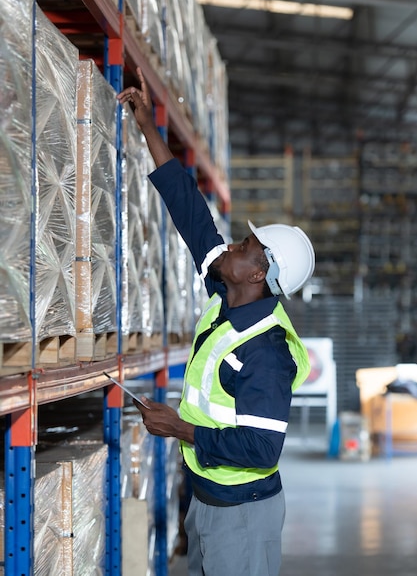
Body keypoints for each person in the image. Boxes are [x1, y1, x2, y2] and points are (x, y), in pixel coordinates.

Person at [117, 68, 315, 576]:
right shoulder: (226, 298)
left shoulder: (265, 350)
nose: (232, 244)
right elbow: (191, 215)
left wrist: (179, 427)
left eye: (245, 245)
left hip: (243, 515)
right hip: (208, 501)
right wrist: (147, 128)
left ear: (258, 272)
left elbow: (260, 446)